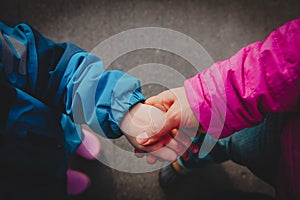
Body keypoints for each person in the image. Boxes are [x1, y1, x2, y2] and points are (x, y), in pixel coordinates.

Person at [0, 21, 185, 199]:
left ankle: (73, 140)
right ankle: (57, 183)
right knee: (41, 186)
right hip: (19, 177)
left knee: (66, 129)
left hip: (43, 120)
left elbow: (52, 68)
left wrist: (122, 110)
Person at [136, 18, 300, 200]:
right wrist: (207, 99)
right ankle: (187, 161)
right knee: (226, 138)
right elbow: (288, 57)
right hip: (284, 134)